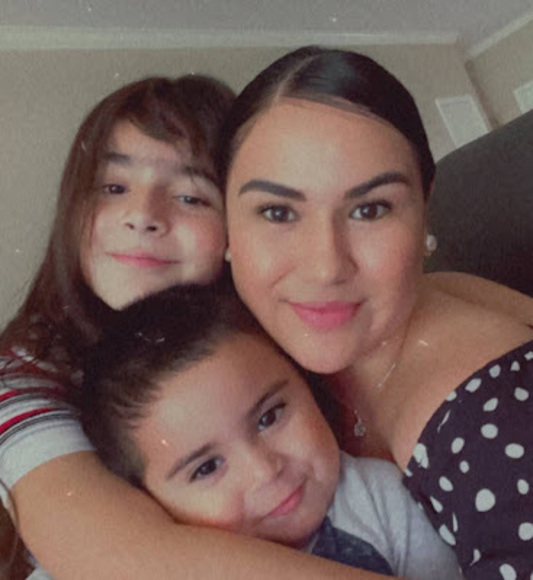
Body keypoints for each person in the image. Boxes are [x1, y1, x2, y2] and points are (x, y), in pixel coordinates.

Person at [0, 72, 407, 580]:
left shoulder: (287, 326)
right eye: (113, 187)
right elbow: (119, 557)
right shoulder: (25, 375)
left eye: (191, 196)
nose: (142, 215)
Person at [219, 45, 533, 579]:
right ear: (225, 224)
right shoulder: (430, 297)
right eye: (277, 212)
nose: (326, 267)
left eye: (370, 209)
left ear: (425, 209)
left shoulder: (490, 419)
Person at [79, 284, 461, 580]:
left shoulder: (384, 499)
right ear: (148, 501)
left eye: (269, 418)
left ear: (305, 382)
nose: (265, 470)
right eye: (207, 467)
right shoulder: (168, 565)